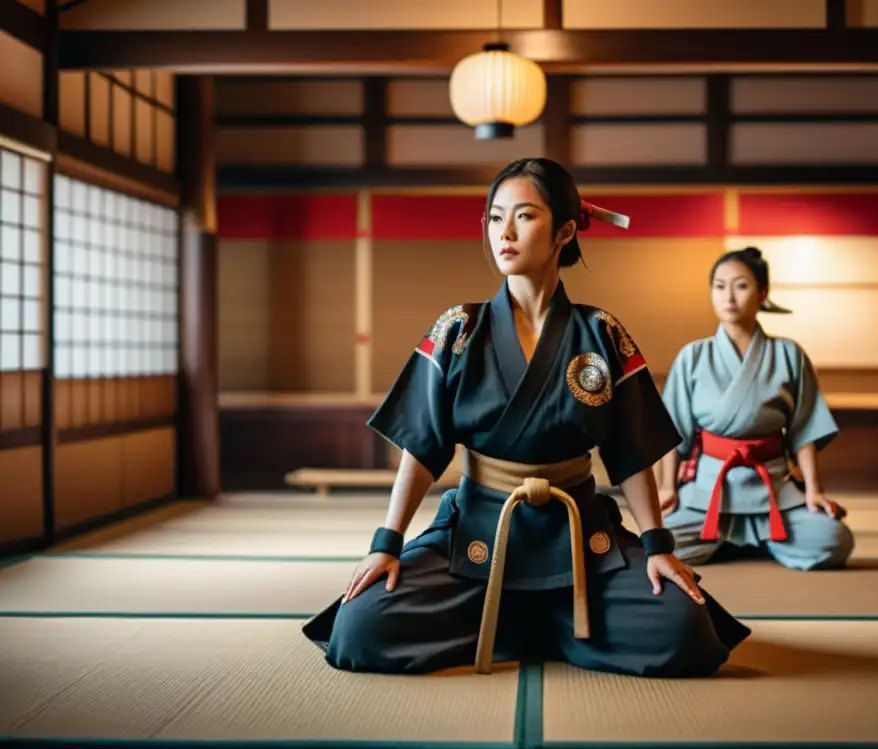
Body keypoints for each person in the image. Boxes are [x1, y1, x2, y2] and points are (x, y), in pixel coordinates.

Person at [302, 158, 751, 678]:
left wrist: (657, 547)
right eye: (494, 218)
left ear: (564, 230)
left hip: (580, 539)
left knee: (685, 630)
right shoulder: (459, 330)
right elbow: (422, 447)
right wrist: (387, 544)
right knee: (360, 628)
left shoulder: (601, 332)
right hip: (478, 534)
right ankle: (542, 624)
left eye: (523, 216)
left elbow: (630, 452)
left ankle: (524, 623)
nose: (504, 233)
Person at [657, 246, 855, 571]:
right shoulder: (692, 356)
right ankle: (752, 542)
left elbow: (805, 428)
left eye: (741, 285)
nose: (729, 297)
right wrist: (667, 487)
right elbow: (672, 430)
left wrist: (814, 491)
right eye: (719, 286)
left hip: (772, 487)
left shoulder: (789, 354)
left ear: (762, 293)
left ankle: (739, 541)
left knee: (834, 539)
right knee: (658, 541)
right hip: (709, 488)